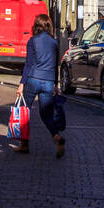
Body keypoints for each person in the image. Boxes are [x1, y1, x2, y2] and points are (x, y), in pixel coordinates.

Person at [13, 13, 63, 156]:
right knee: (45, 113)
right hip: (48, 81)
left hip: (33, 79)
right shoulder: (54, 42)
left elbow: (28, 64)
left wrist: (22, 84)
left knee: (24, 110)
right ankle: (56, 136)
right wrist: (55, 84)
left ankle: (24, 144)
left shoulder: (32, 41)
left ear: (36, 26)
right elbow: (55, 64)